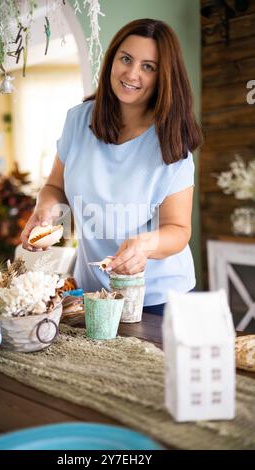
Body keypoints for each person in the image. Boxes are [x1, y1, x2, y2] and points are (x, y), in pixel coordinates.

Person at [21, 18, 203, 315]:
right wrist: (46, 211)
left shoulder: (171, 142)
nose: (132, 73)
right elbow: (55, 187)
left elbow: (179, 229)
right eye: (126, 59)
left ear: (163, 77)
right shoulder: (78, 121)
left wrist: (144, 245)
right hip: (91, 292)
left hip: (157, 297)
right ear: (112, 60)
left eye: (148, 66)